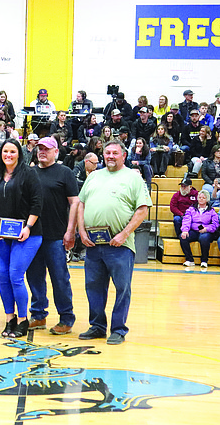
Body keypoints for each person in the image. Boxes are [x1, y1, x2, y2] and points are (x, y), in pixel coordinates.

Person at [78, 140, 152, 345]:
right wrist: (81, 231)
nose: (110, 156)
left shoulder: (133, 178)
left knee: (122, 287)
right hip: (93, 244)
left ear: (123, 156)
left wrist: (124, 234)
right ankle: (97, 326)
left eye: (115, 153)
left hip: (120, 245)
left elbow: (142, 209)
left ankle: (118, 329)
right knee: (93, 286)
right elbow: (81, 204)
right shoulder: (93, 176)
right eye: (107, 152)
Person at [0, 139, 43, 338]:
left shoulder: (29, 174)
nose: (8, 155)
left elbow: (37, 203)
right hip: (2, 235)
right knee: (2, 277)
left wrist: (28, 227)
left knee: (15, 276)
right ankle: (9, 319)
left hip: (27, 234)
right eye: (5, 151)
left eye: (12, 151)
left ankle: (22, 320)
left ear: (19, 154)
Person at [26, 136, 79, 335]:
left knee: (60, 279)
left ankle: (66, 317)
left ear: (56, 152)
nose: (42, 151)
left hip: (56, 236)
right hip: (33, 236)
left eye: (47, 149)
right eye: (39, 148)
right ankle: (38, 315)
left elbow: (74, 203)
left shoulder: (65, 173)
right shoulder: (30, 172)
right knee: (35, 277)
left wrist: (70, 230)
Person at [179, 189, 219, 270]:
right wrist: (185, 230)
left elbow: (215, 224)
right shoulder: (191, 209)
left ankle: (204, 260)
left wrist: (206, 229)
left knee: (204, 238)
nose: (201, 199)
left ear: (207, 199)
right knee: (183, 236)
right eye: (200, 197)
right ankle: (189, 259)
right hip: (194, 230)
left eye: (203, 198)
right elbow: (186, 219)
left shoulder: (211, 211)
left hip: (206, 231)